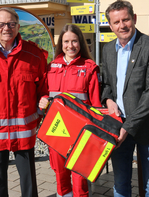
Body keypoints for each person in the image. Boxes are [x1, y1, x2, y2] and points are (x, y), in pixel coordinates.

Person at [0, 7, 48, 197]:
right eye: (1, 24)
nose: (6, 28)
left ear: (18, 26)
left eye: (11, 24)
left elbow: (43, 90)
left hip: (25, 132)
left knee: (28, 178)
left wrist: (40, 115)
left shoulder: (35, 55)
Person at [101, 0, 149, 197]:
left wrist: (127, 127)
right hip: (119, 125)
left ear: (134, 18)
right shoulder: (107, 50)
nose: (122, 25)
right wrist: (108, 101)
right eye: (116, 22)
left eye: (126, 20)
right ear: (110, 25)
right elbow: (106, 85)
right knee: (120, 184)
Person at [39, 24, 101, 197]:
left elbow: (96, 104)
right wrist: (42, 101)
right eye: (66, 41)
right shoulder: (51, 67)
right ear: (61, 44)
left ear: (80, 43)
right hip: (56, 130)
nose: (70, 45)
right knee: (60, 174)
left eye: (74, 41)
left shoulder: (90, 68)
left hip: (81, 132)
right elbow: (43, 94)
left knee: (79, 176)